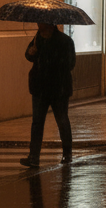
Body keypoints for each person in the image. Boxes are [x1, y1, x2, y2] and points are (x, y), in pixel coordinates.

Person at [20, 22, 76, 167]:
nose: (38, 25)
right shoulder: (37, 39)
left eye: (41, 23)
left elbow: (70, 63)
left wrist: (52, 60)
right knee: (37, 123)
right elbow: (29, 55)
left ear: (50, 25)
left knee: (62, 120)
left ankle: (67, 154)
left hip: (58, 88)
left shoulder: (65, 41)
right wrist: (31, 53)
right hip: (40, 88)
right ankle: (33, 157)